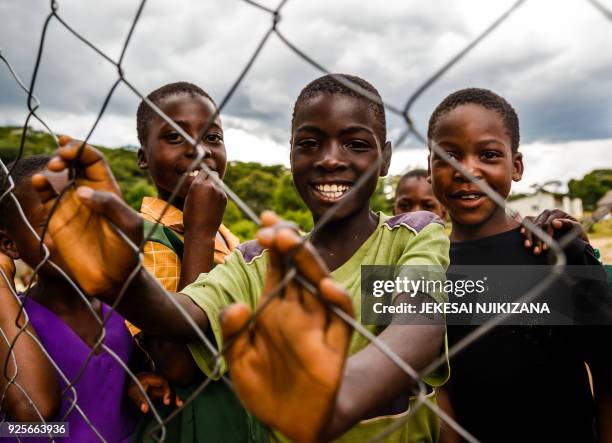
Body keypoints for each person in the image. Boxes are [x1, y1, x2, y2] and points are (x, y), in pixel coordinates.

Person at [31, 74, 451, 442]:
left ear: (385, 160)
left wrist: (339, 393)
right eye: (309, 144)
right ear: (291, 154)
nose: (330, 159)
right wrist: (121, 282)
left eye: (356, 144)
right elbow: (186, 314)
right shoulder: (260, 257)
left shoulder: (411, 234)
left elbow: (419, 320)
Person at [426, 87, 612, 442]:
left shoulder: (560, 250)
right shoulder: (425, 264)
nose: (467, 170)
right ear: (430, 168)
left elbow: (607, 372)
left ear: (516, 166)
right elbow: (435, 387)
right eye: (447, 155)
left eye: (489, 154)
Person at [128, 82, 259, 443]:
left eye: (213, 137)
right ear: (143, 156)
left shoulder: (229, 238)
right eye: (174, 137)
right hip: (190, 423)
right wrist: (199, 233)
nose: (199, 151)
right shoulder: (142, 238)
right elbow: (178, 366)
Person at [0, 156, 138, 442]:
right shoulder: (12, 324)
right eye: (52, 222)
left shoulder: (126, 309)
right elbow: (24, 423)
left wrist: (138, 386)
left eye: (84, 213)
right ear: (9, 244)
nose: (76, 231)